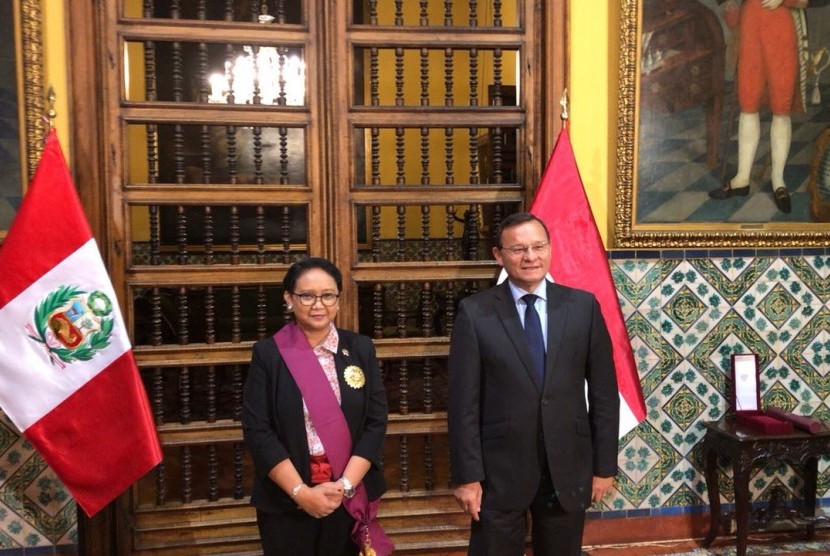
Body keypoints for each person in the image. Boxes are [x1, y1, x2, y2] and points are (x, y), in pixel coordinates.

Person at [447, 212, 620, 556]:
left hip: (567, 464)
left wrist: (604, 467)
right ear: (499, 255)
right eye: (519, 249)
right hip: (499, 469)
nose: (530, 257)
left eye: (538, 246)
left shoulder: (582, 307)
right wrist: (467, 476)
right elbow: (462, 403)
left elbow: (603, 393)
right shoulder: (475, 312)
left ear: (550, 249)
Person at [242, 257, 391, 555]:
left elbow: (376, 420)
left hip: (347, 494)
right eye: (307, 296)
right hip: (288, 497)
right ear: (288, 298)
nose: (318, 305)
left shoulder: (359, 348)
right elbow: (259, 431)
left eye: (327, 295)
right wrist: (301, 493)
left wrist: (345, 485)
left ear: (338, 298)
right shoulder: (269, 355)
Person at [709, 0, 809, 214]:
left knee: (781, 107)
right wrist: (731, 9)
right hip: (750, 27)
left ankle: (778, 182)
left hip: (781, 27)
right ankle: (742, 179)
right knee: (748, 103)